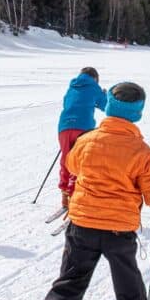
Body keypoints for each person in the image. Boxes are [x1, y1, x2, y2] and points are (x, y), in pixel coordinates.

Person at [22, 82, 150, 300]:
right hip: (119, 230)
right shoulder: (142, 151)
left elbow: (74, 165)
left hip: (82, 226)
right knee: (128, 284)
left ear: (109, 108)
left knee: (68, 283)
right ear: (138, 113)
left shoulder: (87, 141)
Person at [57, 67, 107, 209]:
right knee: (78, 161)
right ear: (95, 78)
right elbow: (105, 106)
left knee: (66, 160)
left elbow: (67, 103)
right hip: (83, 127)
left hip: (64, 127)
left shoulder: (71, 87)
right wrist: (104, 94)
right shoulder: (94, 86)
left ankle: (64, 195)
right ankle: (74, 196)